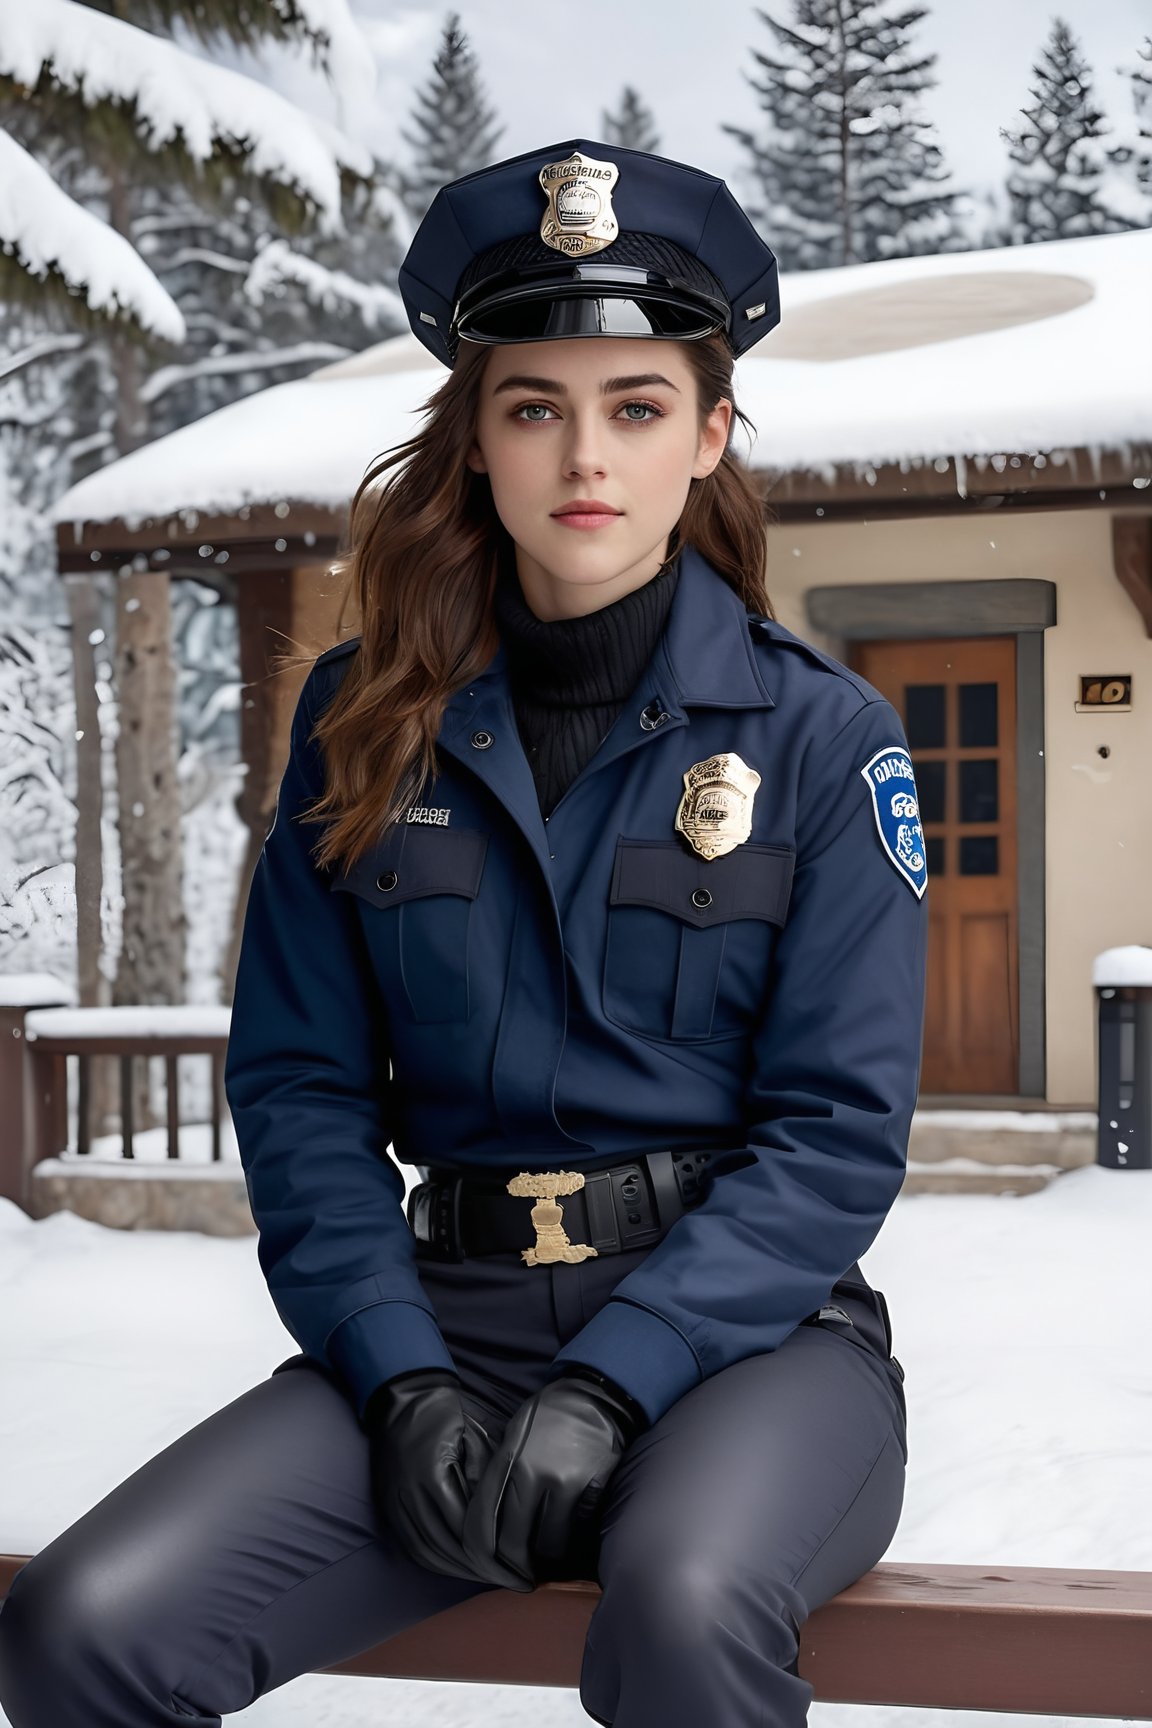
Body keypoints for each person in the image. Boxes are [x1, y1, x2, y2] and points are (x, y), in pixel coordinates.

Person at [0, 138, 928, 1727]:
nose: (588, 455)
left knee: (686, 1604)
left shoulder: (821, 743)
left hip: (751, 1342)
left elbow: (837, 1139)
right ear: (479, 442)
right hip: (450, 1326)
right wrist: (397, 1366)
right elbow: (298, 1092)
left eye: (636, 406)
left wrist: (616, 1379)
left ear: (709, 435)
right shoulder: (364, 727)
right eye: (534, 406)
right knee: (87, 1628)